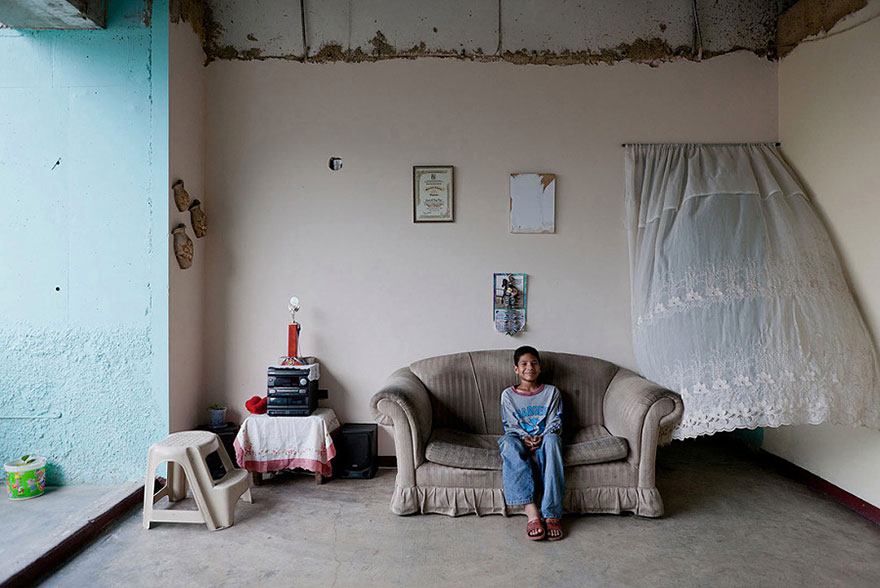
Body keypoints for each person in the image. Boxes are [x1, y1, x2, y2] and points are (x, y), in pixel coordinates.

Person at [498, 346, 564, 541]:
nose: (530, 367)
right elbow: (509, 424)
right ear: (516, 369)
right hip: (517, 438)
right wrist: (523, 438)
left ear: (540, 368)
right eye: (524, 364)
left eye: (534, 363)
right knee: (507, 444)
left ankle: (551, 514)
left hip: (545, 438)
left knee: (553, 440)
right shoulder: (508, 395)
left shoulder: (552, 392)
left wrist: (542, 436)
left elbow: (556, 421)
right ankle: (532, 512)